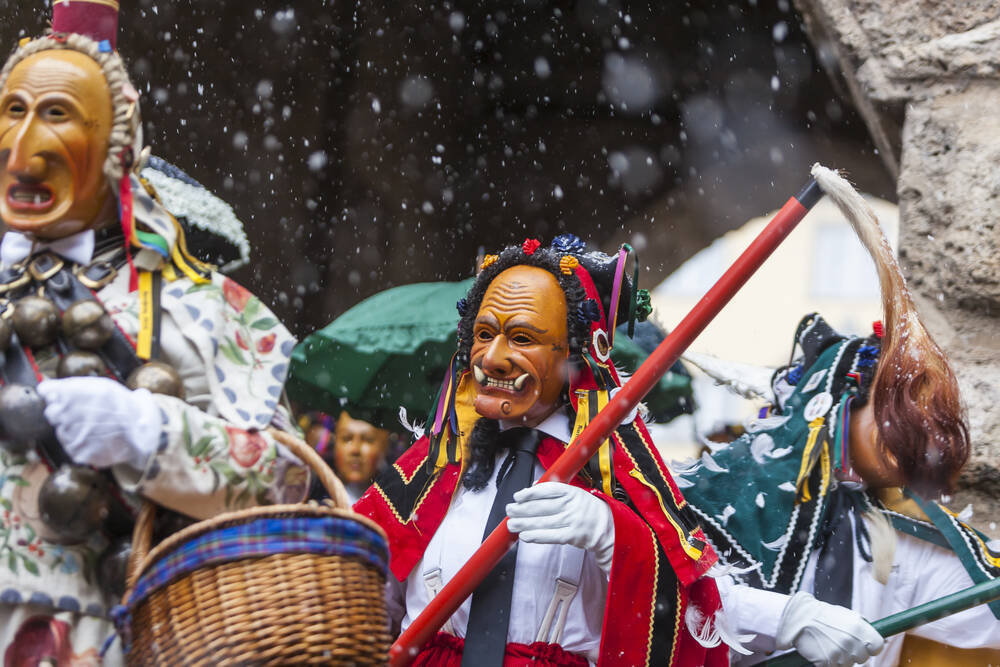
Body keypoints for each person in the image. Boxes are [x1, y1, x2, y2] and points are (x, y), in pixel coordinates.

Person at [0, 1, 306, 660]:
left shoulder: (205, 306)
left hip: (120, 637)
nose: (21, 144)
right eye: (12, 110)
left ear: (117, 148)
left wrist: (149, 433)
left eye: (55, 114)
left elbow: (287, 482)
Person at [355, 236, 733, 666]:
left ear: (572, 356)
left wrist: (618, 537)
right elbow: (358, 609)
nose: (493, 358)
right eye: (483, 333)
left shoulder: (612, 475)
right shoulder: (430, 470)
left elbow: (703, 615)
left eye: (522, 337)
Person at [676, 166, 1000, 666]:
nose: (916, 442)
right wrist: (784, 618)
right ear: (836, 404)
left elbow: (983, 604)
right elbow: (664, 605)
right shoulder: (707, 504)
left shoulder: (893, 543)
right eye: (897, 414)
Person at [304, 409, 395, 503]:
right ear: (335, 443)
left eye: (368, 439)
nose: (355, 449)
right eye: (346, 438)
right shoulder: (310, 494)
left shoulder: (396, 502)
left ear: (384, 446)